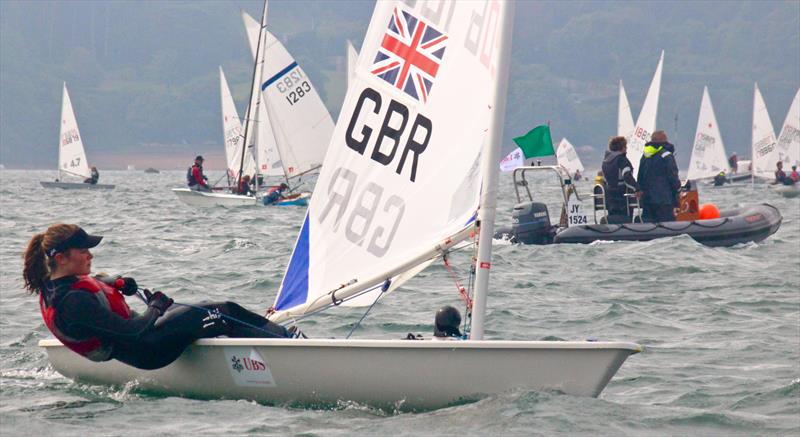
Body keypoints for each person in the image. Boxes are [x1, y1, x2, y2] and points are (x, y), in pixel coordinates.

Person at [23, 224, 295, 371]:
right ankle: (289, 345)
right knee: (223, 311)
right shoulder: (72, 303)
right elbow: (132, 332)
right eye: (83, 250)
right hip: (150, 351)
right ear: (61, 258)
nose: (90, 254)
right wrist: (156, 307)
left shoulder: (56, 285)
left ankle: (265, 348)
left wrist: (120, 285)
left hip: (145, 344)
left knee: (209, 311)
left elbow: (95, 287)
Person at [637, 131, 681, 223]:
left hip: (647, 200)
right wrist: (678, 190)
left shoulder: (645, 156)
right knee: (667, 225)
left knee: (648, 225)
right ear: (664, 141)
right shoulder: (666, 155)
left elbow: (640, 176)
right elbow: (673, 176)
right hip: (664, 199)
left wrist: (640, 190)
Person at [601, 136, 640, 223]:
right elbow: (627, 176)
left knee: (614, 214)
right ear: (622, 148)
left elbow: (604, 180)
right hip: (622, 197)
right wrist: (637, 188)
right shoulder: (621, 159)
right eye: (626, 147)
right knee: (625, 217)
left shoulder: (605, 161)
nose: (626, 149)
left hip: (610, 197)